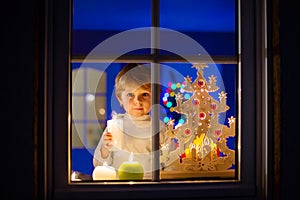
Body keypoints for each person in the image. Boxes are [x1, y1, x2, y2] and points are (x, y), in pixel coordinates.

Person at [93, 63, 170, 180]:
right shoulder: (115, 127)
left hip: (150, 186)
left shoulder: (160, 128)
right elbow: (98, 164)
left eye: (144, 94)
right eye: (130, 95)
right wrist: (105, 148)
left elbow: (171, 162)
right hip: (120, 186)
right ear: (120, 99)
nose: (137, 101)